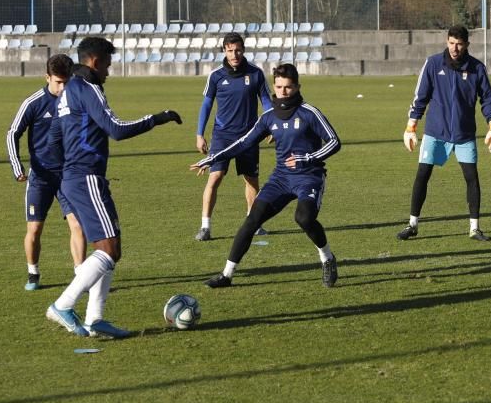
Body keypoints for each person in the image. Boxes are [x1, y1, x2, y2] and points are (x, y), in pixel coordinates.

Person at [45, 37, 183, 338]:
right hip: (86, 177)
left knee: (107, 247)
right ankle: (64, 304)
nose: (109, 70)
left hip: (74, 177)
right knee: (110, 249)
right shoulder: (89, 88)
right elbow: (116, 130)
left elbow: (54, 136)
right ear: (94, 60)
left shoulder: (67, 91)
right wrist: (157, 118)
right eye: (107, 63)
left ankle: (95, 319)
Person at [194, 64, 342, 288]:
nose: (283, 91)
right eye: (280, 86)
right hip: (281, 178)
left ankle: (327, 258)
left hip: (309, 176)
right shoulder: (269, 117)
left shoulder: (310, 112)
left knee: (303, 218)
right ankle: (226, 275)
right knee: (252, 220)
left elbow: (334, 141)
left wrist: (308, 158)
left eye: (289, 87)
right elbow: (243, 142)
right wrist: (212, 158)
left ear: (297, 87)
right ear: (274, 85)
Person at [397, 25, 491, 242]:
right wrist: (411, 126)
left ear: (467, 45)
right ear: (447, 41)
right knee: (422, 175)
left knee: (471, 178)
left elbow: (488, 99)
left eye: (459, 44)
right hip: (435, 132)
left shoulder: (477, 68)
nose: (455, 48)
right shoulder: (433, 64)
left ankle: (474, 228)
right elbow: (420, 96)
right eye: (451, 43)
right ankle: (412, 224)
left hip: (464, 134)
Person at [6, 53, 85, 291]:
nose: (62, 88)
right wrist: (17, 166)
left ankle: (80, 277)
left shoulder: (76, 101)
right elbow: (12, 133)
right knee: (35, 228)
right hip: (40, 176)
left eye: (66, 82)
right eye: (58, 82)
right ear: (47, 77)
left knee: (77, 225)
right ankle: (33, 273)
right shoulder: (33, 102)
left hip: (68, 176)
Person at [195, 32, 272, 241]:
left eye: (238, 50)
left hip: (250, 136)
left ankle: (252, 223)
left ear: (243, 50)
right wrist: (199, 134)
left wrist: (271, 126)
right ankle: (205, 226)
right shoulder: (216, 76)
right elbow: (206, 105)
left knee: (251, 180)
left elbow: (266, 101)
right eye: (230, 50)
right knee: (215, 177)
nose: (234, 54)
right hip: (222, 136)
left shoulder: (256, 74)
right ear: (224, 51)